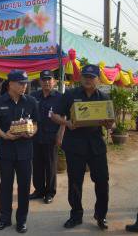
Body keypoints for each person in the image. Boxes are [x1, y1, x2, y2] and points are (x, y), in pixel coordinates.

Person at [51, 64, 114, 230]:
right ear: (80, 78)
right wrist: (66, 123)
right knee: (75, 182)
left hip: (96, 146)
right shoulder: (70, 95)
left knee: (102, 181)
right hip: (75, 145)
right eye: (85, 76)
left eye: (91, 77)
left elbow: (110, 125)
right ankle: (76, 215)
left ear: (98, 80)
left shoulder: (104, 98)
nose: (87, 79)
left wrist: (110, 125)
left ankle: (101, 215)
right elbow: (55, 115)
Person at [0, 70, 39, 234]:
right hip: (6, 151)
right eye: (20, 83)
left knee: (24, 187)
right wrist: (4, 135)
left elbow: (36, 124)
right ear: (10, 84)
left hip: (25, 152)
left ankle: (21, 220)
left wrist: (32, 132)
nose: (24, 86)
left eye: (25, 83)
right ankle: (4, 218)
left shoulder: (31, 101)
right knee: (6, 186)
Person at [29, 70, 64, 204]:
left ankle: (50, 192)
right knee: (37, 164)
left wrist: (60, 134)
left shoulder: (60, 97)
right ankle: (39, 190)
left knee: (50, 165)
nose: (46, 82)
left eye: (49, 79)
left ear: (54, 81)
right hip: (35, 136)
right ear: (40, 82)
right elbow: (29, 114)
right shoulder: (33, 96)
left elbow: (64, 117)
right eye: (44, 80)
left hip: (51, 137)